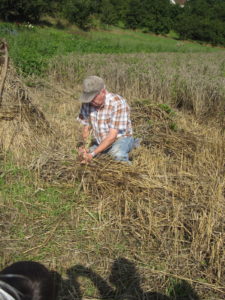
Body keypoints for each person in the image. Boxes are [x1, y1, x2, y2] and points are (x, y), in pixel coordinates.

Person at [77, 75, 138, 163]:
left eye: (93, 98)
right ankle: (104, 151)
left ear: (103, 92)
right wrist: (86, 148)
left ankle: (130, 171)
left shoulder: (117, 103)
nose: (90, 101)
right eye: (88, 98)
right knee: (83, 157)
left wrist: (92, 154)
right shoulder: (87, 103)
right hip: (101, 140)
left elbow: (112, 136)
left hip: (121, 139)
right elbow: (86, 129)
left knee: (117, 154)